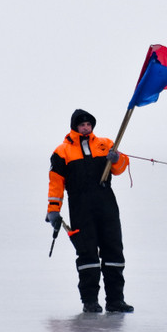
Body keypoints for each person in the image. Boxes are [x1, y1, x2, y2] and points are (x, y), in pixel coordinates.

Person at [46, 109, 134, 313]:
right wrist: (53, 210)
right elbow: (56, 183)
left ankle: (115, 300)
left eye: (88, 124)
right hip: (80, 208)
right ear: (75, 127)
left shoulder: (105, 144)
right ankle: (90, 302)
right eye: (82, 124)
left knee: (113, 252)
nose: (86, 127)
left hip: (106, 205)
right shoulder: (62, 151)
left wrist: (116, 159)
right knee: (87, 256)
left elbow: (120, 169)